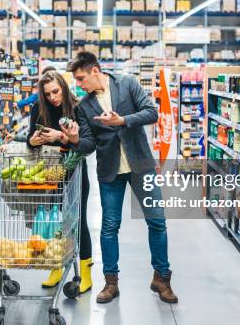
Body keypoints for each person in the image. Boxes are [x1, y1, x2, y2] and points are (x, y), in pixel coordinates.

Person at [61, 51, 178, 304]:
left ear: (95, 70)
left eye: (81, 78)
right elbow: (89, 144)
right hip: (109, 171)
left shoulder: (128, 84)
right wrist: (74, 140)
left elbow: (151, 113)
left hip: (141, 165)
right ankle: (110, 283)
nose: (79, 85)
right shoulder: (83, 106)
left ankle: (162, 279)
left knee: (157, 222)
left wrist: (122, 120)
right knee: (109, 227)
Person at [26, 71, 93, 295]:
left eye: (56, 91)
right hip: (50, 171)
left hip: (74, 172)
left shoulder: (78, 107)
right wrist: (33, 140)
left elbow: (85, 145)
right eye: (48, 94)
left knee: (78, 220)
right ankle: (54, 267)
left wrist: (63, 137)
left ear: (63, 86)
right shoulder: (38, 108)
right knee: (54, 219)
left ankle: (86, 275)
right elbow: (30, 139)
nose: (53, 97)